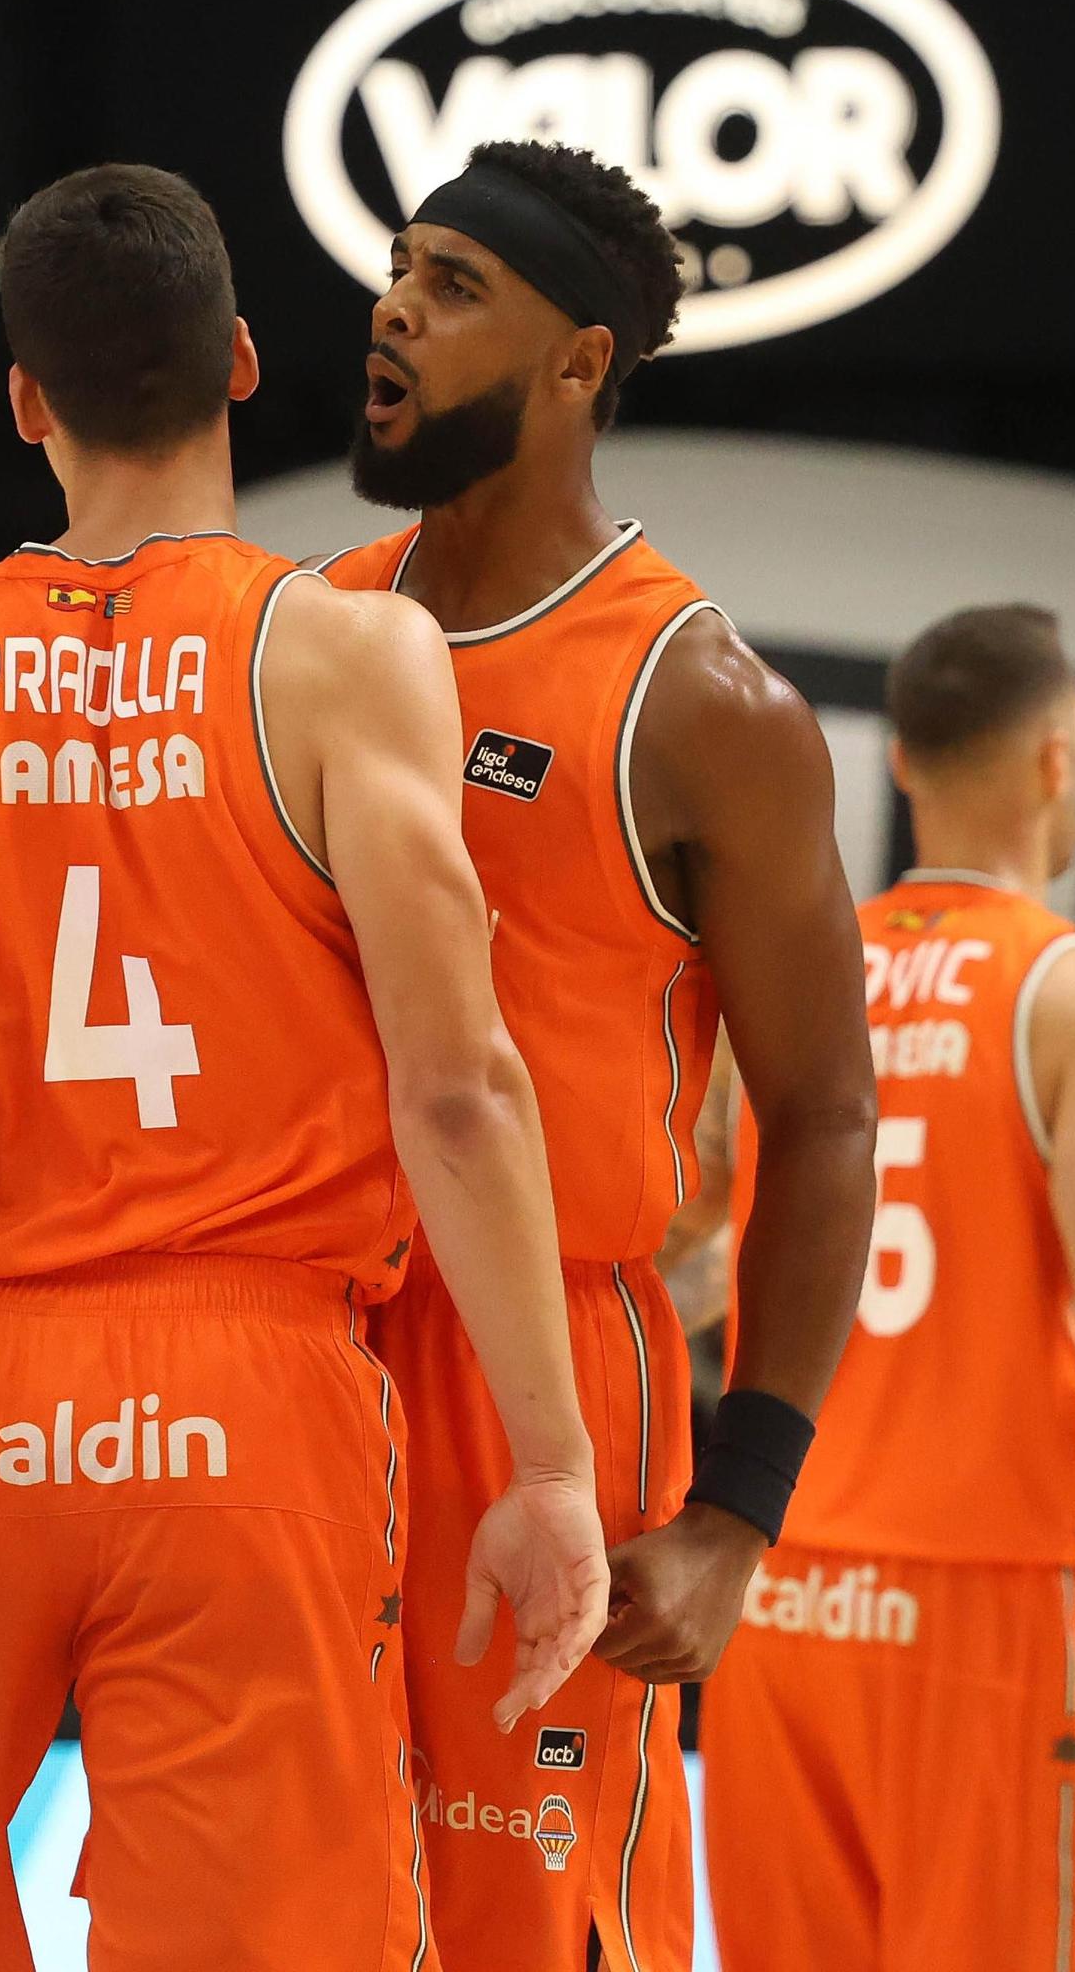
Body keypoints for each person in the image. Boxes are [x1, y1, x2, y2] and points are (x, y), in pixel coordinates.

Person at [0, 162, 608, 1972]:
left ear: (25, 403)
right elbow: (461, 1086)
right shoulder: (343, 656)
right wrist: (548, 1465)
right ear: (246, 363)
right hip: (243, 1400)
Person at [313, 140, 876, 1971]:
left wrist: (739, 1510)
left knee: (519, 1923)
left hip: (539, 1372)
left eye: (456, 282)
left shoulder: (701, 703)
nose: (392, 304)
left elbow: (824, 1113)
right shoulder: (306, 630)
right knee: (270, 1909)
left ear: (581, 361)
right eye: (397, 265)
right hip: (291, 1348)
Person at [698, 606, 1075, 1972]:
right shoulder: (1072, 998)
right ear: (1060, 760)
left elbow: (688, 1253)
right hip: (982, 1606)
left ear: (899, 764)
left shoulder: (788, 984)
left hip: (773, 1587)